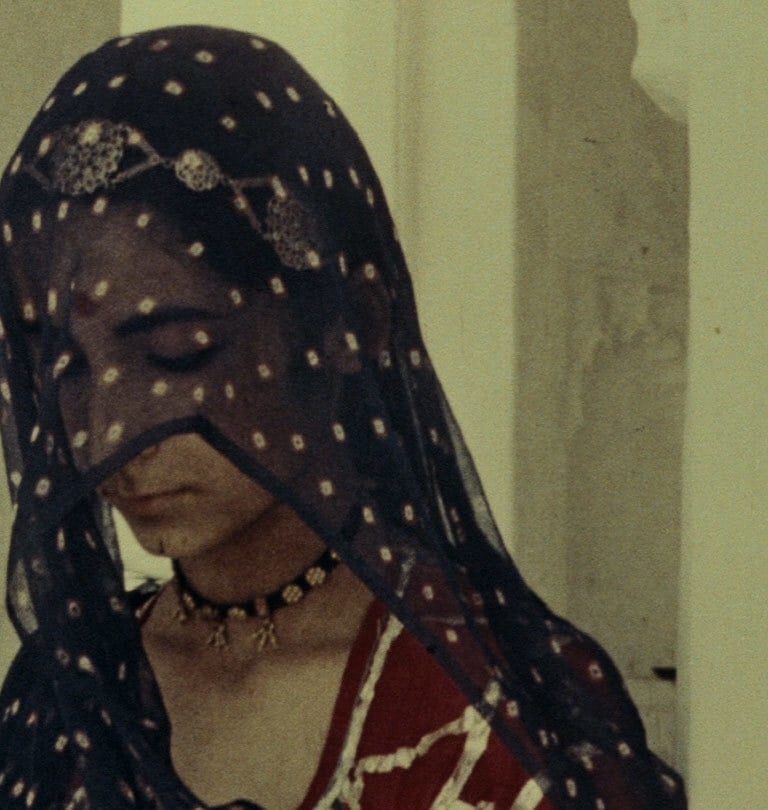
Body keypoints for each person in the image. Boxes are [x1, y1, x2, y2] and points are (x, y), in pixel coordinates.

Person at [0, 25, 686, 809]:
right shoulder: (71, 695)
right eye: (66, 369)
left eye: (177, 351)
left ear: (351, 326)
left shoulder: (497, 707)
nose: (107, 433)